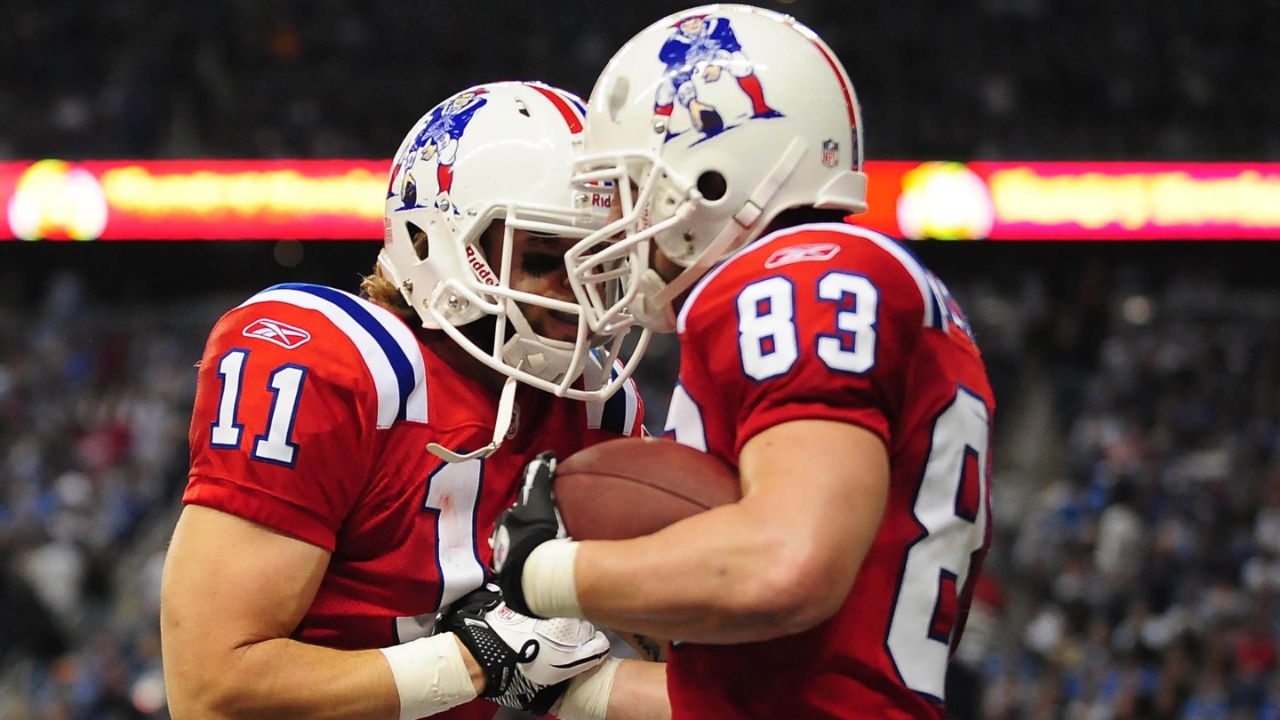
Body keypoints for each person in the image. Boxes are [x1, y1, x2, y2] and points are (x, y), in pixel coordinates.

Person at [491, 6, 996, 719]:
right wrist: (553, 681)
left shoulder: (796, 274)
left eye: (632, 189)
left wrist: (543, 569)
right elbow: (761, 689)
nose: (619, 226)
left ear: (713, 175)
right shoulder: (837, 276)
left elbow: (789, 565)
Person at [160, 81, 649, 720]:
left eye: (601, 261)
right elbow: (211, 688)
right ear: (432, 243)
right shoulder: (330, 362)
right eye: (543, 255)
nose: (580, 294)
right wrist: (473, 662)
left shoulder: (599, 409)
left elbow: (603, 677)